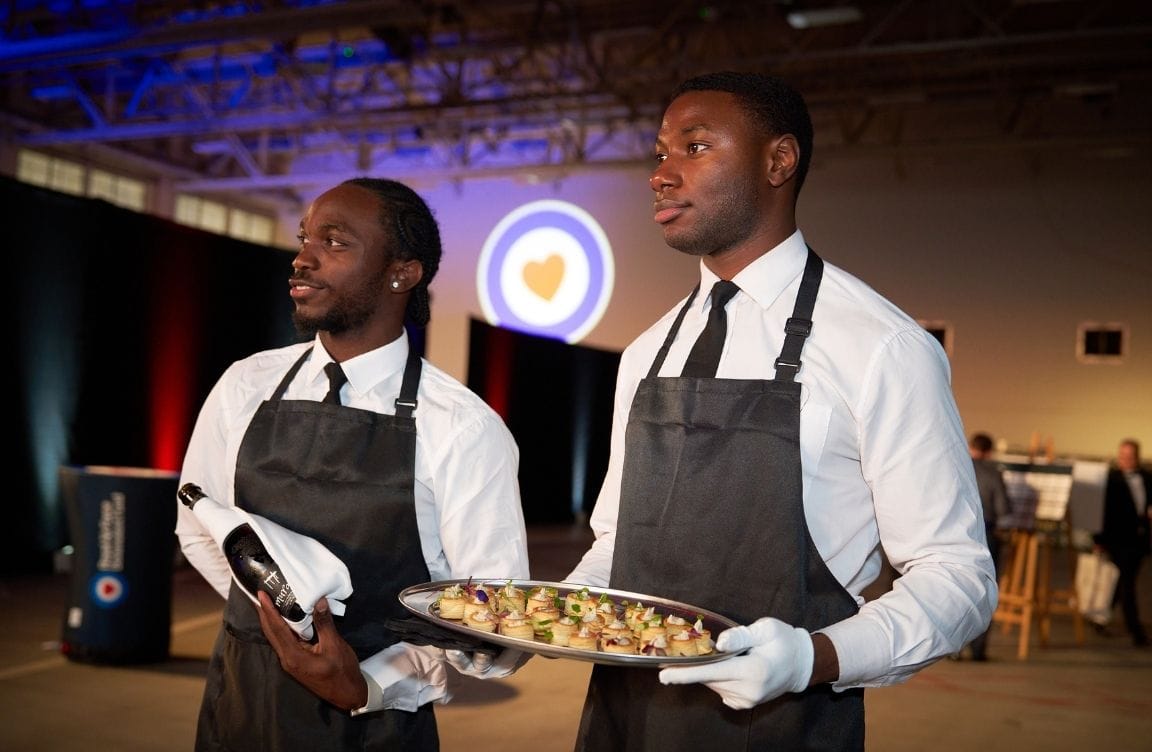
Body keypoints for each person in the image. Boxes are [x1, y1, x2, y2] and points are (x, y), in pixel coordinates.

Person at [563, 71, 997, 750]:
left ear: (779, 161)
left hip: (787, 727)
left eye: (695, 147)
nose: (661, 175)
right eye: (660, 154)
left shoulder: (881, 347)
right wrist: (544, 614)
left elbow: (958, 576)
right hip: (625, 721)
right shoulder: (645, 353)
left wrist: (812, 658)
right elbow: (621, 544)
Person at [175, 177, 531, 751]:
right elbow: (198, 528)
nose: (302, 258)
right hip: (238, 708)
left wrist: (367, 682)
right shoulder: (245, 384)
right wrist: (285, 624)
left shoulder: (463, 428)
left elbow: (497, 629)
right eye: (304, 238)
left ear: (402, 273)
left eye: (335, 242)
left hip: (375, 732)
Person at [1094, 438, 1150, 647]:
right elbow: (1101, 513)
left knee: (1119, 582)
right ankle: (1136, 632)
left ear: (1137, 457)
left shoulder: (1147, 478)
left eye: (1130, 456)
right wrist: (1098, 540)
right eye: (1122, 456)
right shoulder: (1111, 480)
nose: (1125, 460)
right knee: (1127, 584)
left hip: (1140, 540)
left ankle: (1100, 617)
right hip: (1118, 541)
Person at [963, 432, 1010, 661]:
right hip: (986, 535)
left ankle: (955, 649)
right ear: (989, 452)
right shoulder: (994, 474)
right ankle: (978, 650)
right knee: (984, 591)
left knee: (959, 588)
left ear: (970, 446)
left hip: (958, 534)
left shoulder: (957, 467)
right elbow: (1004, 509)